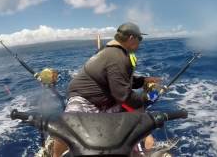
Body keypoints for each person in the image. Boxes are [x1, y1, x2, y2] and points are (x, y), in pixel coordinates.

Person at [51, 22, 161, 157]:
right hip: (84, 99)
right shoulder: (117, 57)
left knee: (137, 119)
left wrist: (143, 80)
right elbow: (124, 96)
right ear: (131, 38)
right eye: (140, 39)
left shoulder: (111, 52)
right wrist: (150, 96)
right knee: (67, 126)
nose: (140, 43)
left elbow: (121, 81)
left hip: (106, 100)